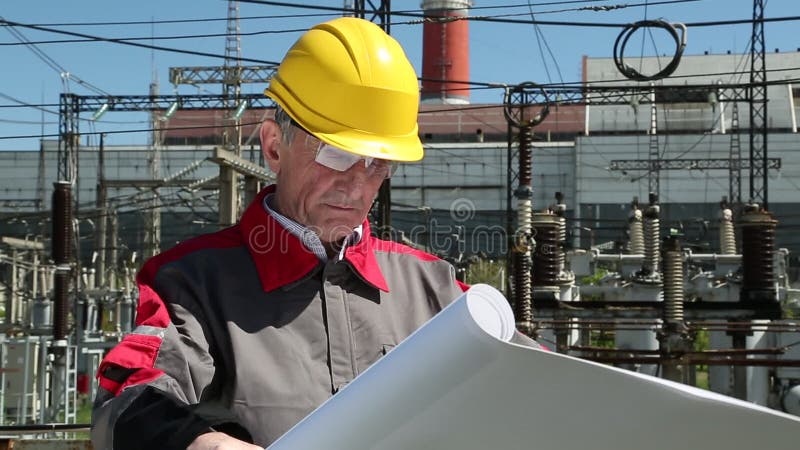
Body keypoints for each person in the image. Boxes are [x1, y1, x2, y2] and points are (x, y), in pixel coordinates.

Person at [91, 17, 535, 450]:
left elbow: (549, 384)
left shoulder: (433, 289)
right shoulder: (191, 285)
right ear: (273, 146)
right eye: (337, 155)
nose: (357, 186)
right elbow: (125, 405)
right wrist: (202, 443)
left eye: (378, 164)